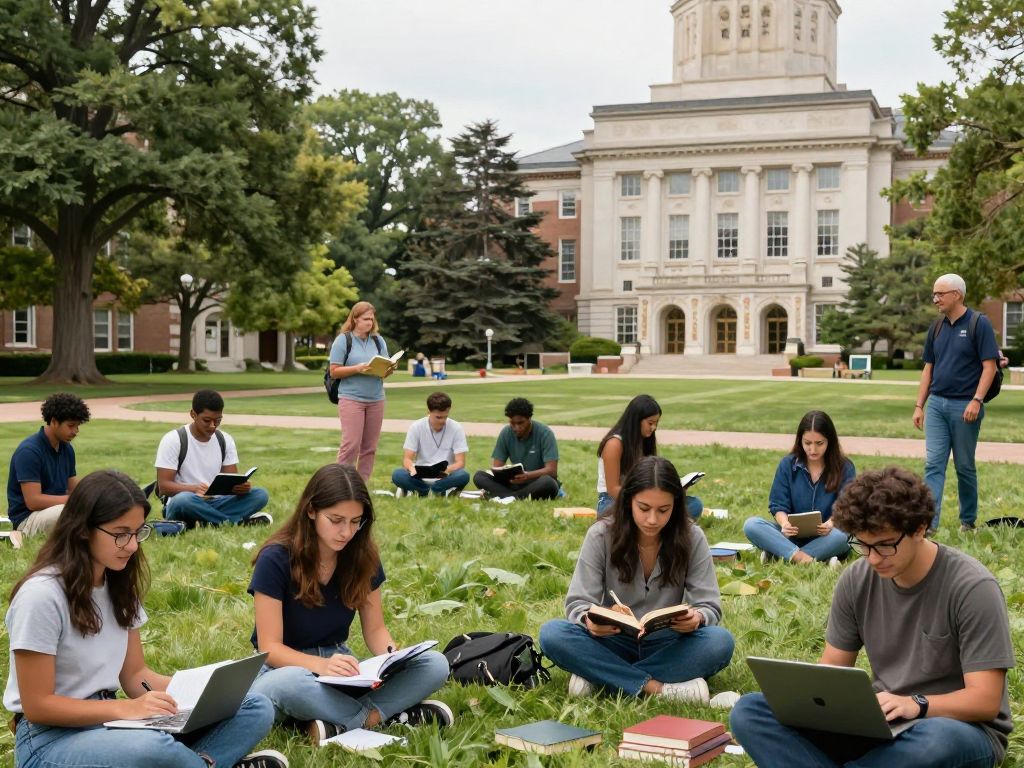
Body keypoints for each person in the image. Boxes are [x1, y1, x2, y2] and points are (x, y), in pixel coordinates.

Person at [731, 466, 1015, 768]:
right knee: (750, 711)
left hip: (952, 726)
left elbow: (984, 701)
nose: (874, 558)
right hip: (880, 720)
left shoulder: (972, 587)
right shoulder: (856, 579)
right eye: (862, 545)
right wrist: (809, 703)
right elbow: (831, 672)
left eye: (885, 545)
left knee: (936, 741)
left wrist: (916, 704)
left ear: (919, 528)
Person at [4, 469, 286, 768]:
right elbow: (38, 706)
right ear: (83, 528)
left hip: (112, 724)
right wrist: (125, 709)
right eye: (120, 533)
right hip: (49, 740)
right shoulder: (41, 596)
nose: (133, 545)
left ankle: (195, 762)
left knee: (255, 706)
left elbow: (137, 677)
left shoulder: (117, 584)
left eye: (138, 532)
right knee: (151, 748)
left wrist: (205, 689)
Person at [248, 463, 453, 746]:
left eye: (356, 521)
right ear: (311, 511)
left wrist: (393, 658)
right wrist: (320, 665)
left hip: (344, 671)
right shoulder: (276, 558)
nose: (346, 532)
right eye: (336, 520)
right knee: (287, 685)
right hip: (285, 670)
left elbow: (376, 630)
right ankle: (377, 717)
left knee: (435, 663)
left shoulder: (362, 555)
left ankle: (335, 722)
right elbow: (269, 648)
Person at [539, 456, 735, 705]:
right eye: (644, 508)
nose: (653, 519)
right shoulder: (600, 535)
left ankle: (601, 677)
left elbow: (709, 605)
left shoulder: (692, 537)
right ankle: (659, 689)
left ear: (676, 505)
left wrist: (697, 618)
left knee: (720, 642)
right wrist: (590, 621)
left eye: (663, 510)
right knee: (552, 633)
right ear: (629, 500)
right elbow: (578, 602)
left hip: (668, 643)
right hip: (611, 640)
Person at [913, 273, 1000, 532]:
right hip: (937, 405)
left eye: (940, 294)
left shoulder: (978, 323)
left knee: (964, 466)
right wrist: (920, 405)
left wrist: (976, 400)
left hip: (966, 407)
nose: (935, 298)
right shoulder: (936, 327)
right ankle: (929, 524)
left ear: (957, 295)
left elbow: (990, 367)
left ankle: (968, 521)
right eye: (934, 294)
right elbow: (928, 369)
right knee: (933, 464)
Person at [743, 410, 855, 565]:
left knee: (842, 536)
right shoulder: (787, 464)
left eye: (819, 443)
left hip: (828, 535)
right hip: (791, 536)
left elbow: (847, 506)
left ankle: (782, 554)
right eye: (807, 443)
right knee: (751, 525)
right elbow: (778, 504)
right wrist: (784, 524)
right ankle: (804, 557)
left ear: (830, 441)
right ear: (799, 440)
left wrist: (831, 523)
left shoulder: (845, 467)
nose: (813, 450)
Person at [155, 389, 271, 527]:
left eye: (218, 420)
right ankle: (236, 522)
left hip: (217, 502)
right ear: (193, 414)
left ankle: (210, 520)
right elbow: (164, 487)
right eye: (207, 420)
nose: (212, 426)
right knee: (183, 500)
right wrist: (194, 489)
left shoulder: (225, 440)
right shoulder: (174, 440)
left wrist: (240, 487)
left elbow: (230, 481)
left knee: (260, 495)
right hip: (185, 502)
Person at [596, 394, 702, 518]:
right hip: (615, 500)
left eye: (656, 423)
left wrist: (674, 490)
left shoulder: (644, 442)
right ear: (636, 420)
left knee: (694, 505)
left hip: (645, 499)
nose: (654, 428)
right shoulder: (614, 444)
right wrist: (641, 502)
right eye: (650, 423)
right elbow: (613, 489)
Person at [328, 301, 396, 481]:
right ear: (355, 319)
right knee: (351, 445)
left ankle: (361, 484)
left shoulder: (378, 340)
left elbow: (384, 372)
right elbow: (334, 371)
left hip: (376, 399)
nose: (370, 323)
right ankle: (340, 482)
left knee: (370, 447)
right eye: (366, 319)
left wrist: (389, 369)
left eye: (372, 319)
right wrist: (357, 368)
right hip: (351, 399)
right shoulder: (343, 340)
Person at [6, 393, 90, 536]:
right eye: (71, 426)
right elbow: (33, 501)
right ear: (54, 421)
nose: (75, 431)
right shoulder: (29, 451)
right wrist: (74, 500)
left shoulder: (67, 448)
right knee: (69, 513)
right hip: (27, 519)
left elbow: (73, 489)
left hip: (57, 510)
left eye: (77, 426)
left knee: (98, 505)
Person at [472, 397, 560, 500]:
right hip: (514, 483)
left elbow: (552, 470)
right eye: (512, 423)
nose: (516, 428)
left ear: (529, 418)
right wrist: (505, 474)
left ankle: (508, 497)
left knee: (548, 483)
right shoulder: (506, 432)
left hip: (536, 481)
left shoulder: (545, 433)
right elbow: (497, 466)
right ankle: (515, 497)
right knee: (479, 476)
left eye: (520, 423)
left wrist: (527, 476)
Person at [391, 391, 470, 498]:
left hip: (445, 476)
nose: (442, 421)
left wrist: (445, 471)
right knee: (398, 475)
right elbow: (407, 460)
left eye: (445, 417)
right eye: (438, 417)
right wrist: (412, 468)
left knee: (463, 475)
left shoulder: (456, 428)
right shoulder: (416, 427)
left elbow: (460, 463)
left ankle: (427, 491)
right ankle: (430, 491)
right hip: (420, 476)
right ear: (428, 411)